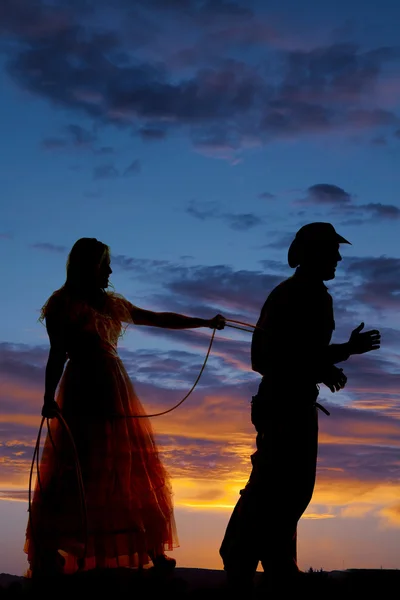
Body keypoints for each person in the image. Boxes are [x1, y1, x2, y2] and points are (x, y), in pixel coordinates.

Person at [24, 237, 225, 577]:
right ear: (89, 266)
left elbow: (156, 318)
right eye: (105, 264)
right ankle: (52, 548)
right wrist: (47, 397)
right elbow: (57, 353)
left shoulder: (111, 303)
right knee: (80, 465)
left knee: (128, 465)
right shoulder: (63, 304)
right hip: (82, 391)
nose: (110, 270)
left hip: (113, 386)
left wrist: (203, 322)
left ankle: (152, 551)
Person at [219, 222, 381, 592]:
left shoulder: (305, 294)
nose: (339, 258)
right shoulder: (295, 295)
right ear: (313, 254)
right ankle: (240, 558)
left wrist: (325, 366)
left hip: (289, 402)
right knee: (278, 488)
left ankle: (273, 566)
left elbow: (296, 353)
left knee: (285, 490)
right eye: (332, 250)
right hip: (284, 406)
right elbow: (267, 357)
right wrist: (339, 354)